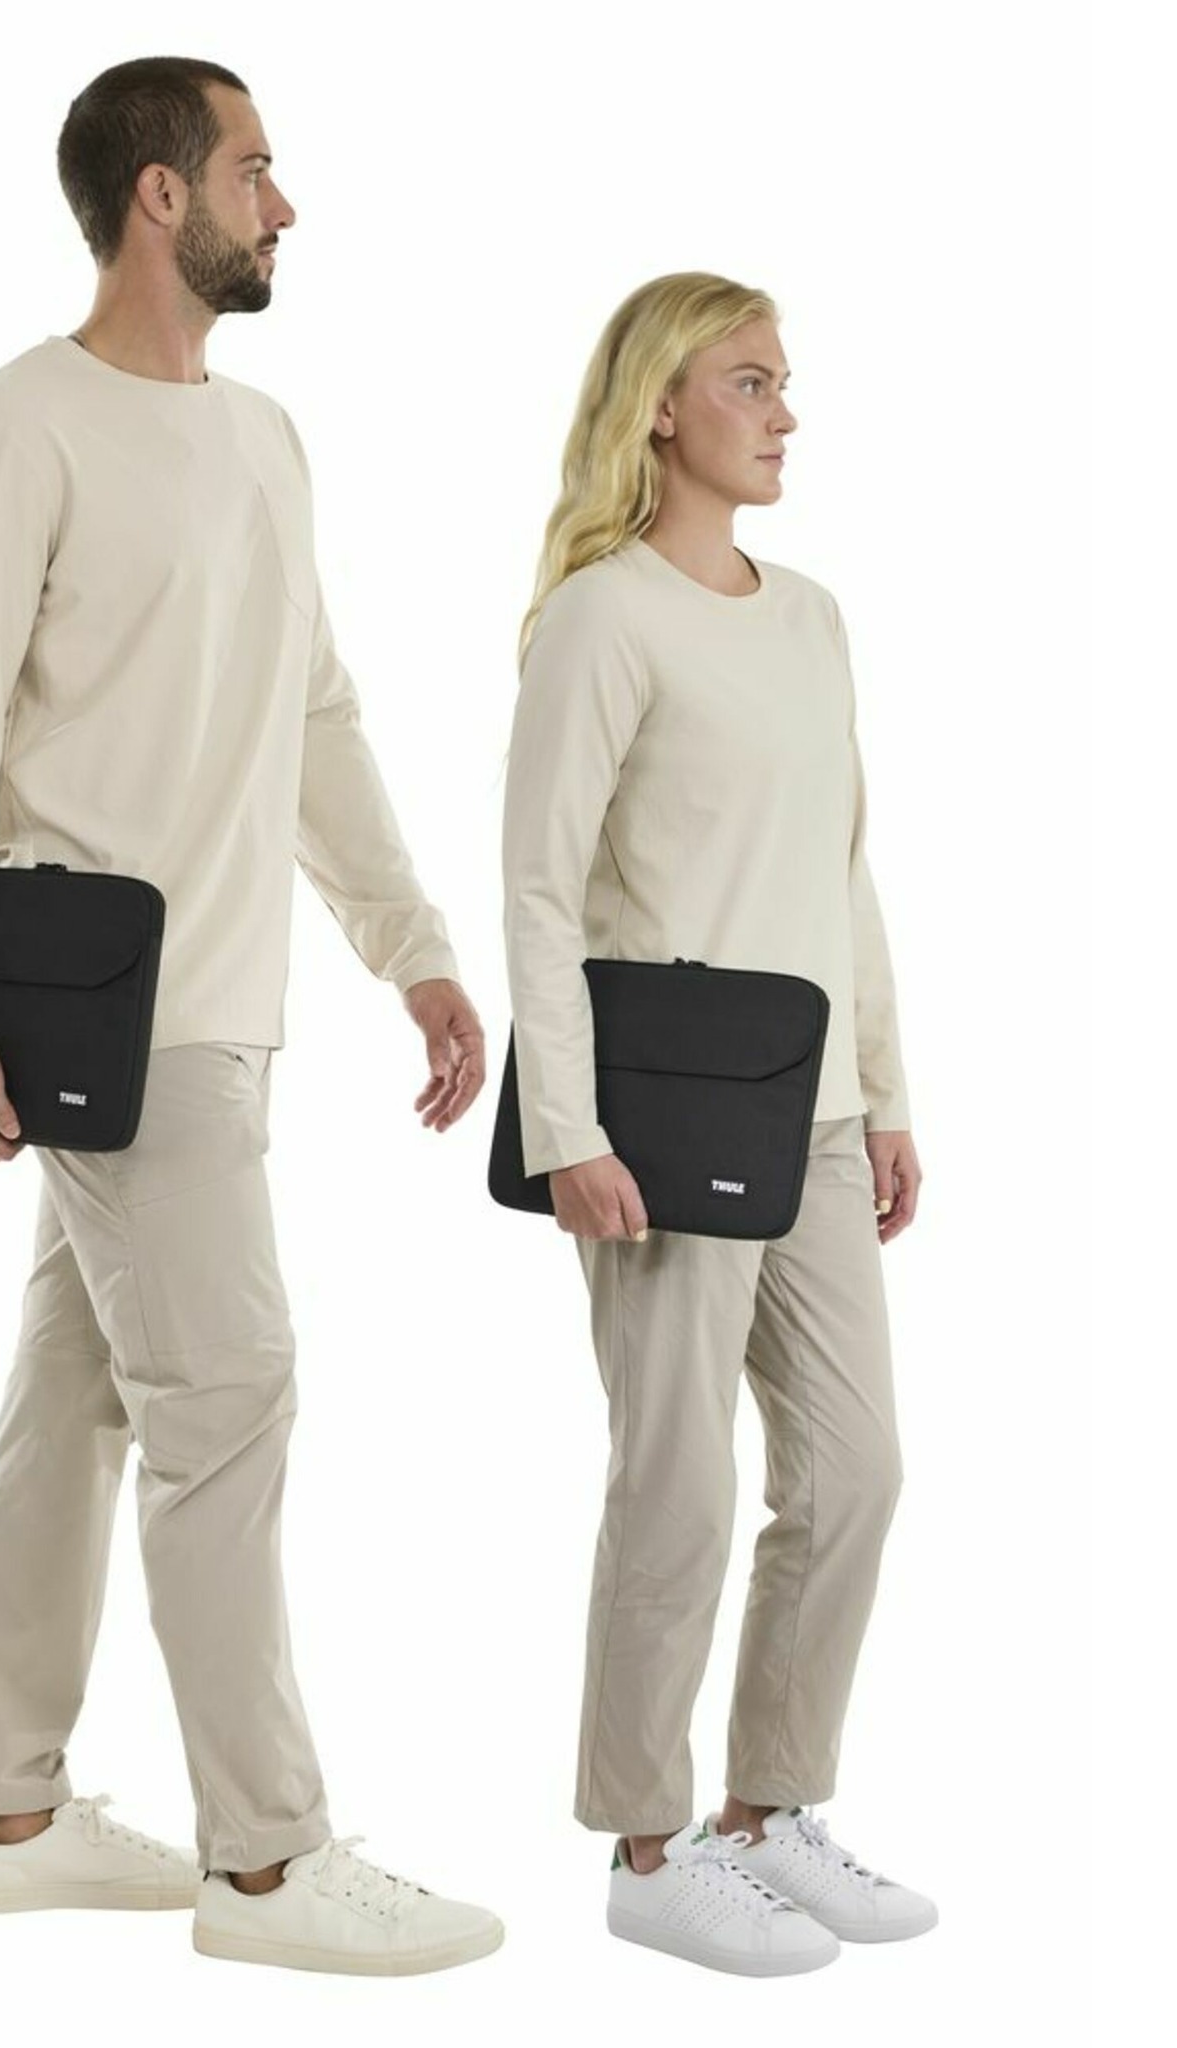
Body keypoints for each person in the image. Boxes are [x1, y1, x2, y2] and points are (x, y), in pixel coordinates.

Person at [0, 54, 501, 1977]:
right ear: (161, 195)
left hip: (228, 1004)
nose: (282, 205)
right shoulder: (13, 430)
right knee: (227, 1398)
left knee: (76, 1395)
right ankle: (266, 1862)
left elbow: (314, 712)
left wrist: (410, 945)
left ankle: (5, 1810)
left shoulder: (266, 443)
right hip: (96, 1011)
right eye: (254, 169)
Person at [500, 271, 938, 1976]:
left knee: (857, 1468)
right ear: (664, 404)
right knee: (676, 1481)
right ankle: (645, 1845)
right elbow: (542, 888)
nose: (784, 413)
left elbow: (845, 871)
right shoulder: (602, 619)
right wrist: (568, 1128)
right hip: (660, 1123)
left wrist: (884, 1092)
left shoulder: (811, 617)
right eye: (750, 381)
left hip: (815, 1109)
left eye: (783, 382)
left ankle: (767, 1811)